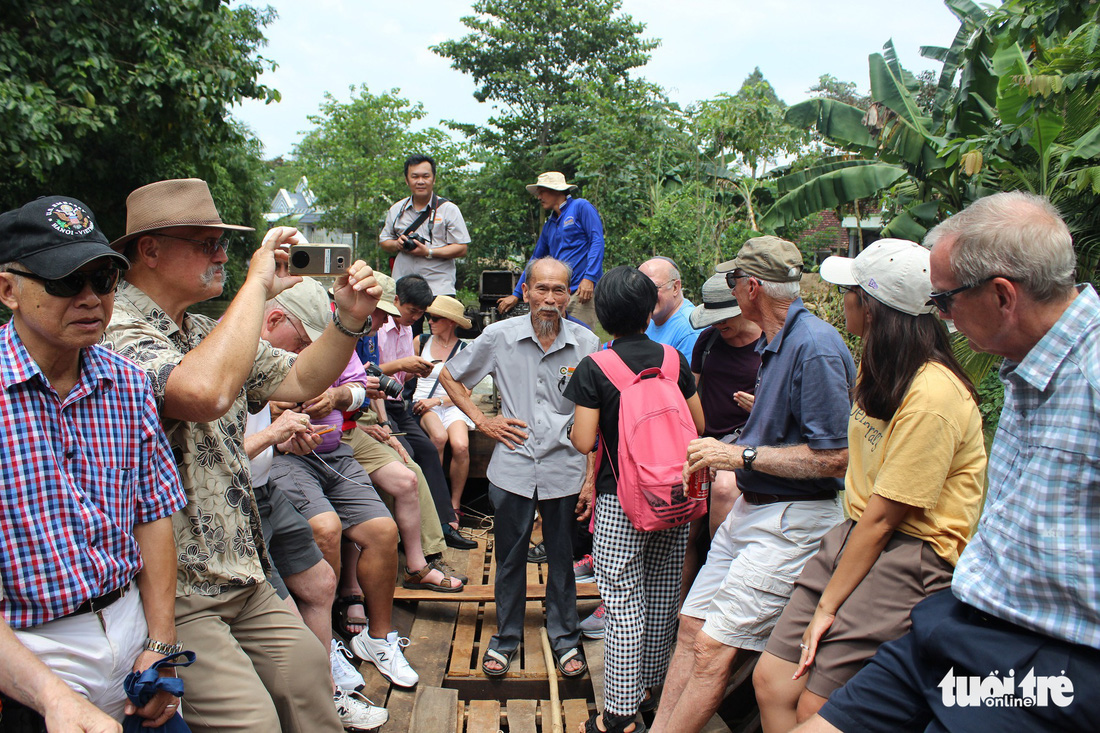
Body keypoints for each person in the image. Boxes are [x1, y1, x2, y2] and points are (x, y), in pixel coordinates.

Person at [797, 192, 1100, 732]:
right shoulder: (1025, 363)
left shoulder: (1089, 376)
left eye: (944, 301)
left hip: (1055, 656)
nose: (940, 317)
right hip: (963, 621)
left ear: (1003, 296)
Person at [103, 177, 380, 733]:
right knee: (252, 723)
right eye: (206, 242)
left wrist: (348, 319)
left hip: (241, 570)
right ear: (149, 250)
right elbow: (202, 394)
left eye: (224, 243)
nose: (222, 254)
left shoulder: (204, 328)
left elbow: (301, 377)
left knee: (309, 682)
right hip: (177, 585)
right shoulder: (115, 329)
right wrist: (258, 285)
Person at [753, 239, 987, 731]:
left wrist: (828, 608)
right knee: (773, 679)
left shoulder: (932, 394)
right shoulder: (881, 369)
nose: (842, 302)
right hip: (856, 534)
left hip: (911, 552)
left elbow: (886, 519)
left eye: (849, 292)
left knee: (817, 707)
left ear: (873, 307)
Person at [651, 236, 855, 733]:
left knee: (714, 649)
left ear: (752, 288)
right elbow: (778, 435)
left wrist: (736, 453)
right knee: (693, 627)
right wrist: (730, 441)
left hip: (792, 520)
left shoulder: (815, 346)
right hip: (754, 508)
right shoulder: (773, 343)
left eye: (734, 283)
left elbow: (835, 457)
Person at [0, 196, 186, 726]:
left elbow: (153, 514)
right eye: (64, 282)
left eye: (103, 279)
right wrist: (52, 697)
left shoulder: (126, 383)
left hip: (128, 623)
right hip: (31, 646)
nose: (89, 298)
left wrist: (161, 642)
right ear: (8, 289)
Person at [260, 278, 453, 689]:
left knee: (383, 530)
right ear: (274, 319)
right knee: (326, 529)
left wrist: (335, 398)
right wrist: (275, 413)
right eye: (300, 343)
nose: (303, 352)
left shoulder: (334, 333)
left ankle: (379, 640)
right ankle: (327, 645)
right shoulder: (245, 344)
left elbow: (359, 390)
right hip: (287, 457)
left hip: (335, 450)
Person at [441, 257, 600, 677]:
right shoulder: (499, 336)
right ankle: (506, 636)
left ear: (570, 296)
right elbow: (451, 376)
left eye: (559, 291)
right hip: (512, 466)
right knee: (509, 557)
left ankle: (564, 636)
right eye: (541, 289)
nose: (549, 300)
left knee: (562, 557)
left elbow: (597, 414)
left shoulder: (587, 344)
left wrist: (590, 476)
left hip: (565, 468)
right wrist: (482, 420)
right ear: (525, 292)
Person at [565, 266, 706, 733]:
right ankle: (649, 688)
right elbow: (698, 426)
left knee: (623, 603)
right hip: (675, 496)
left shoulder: (597, 366)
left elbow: (585, 441)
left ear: (603, 318)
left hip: (621, 501)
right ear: (650, 311)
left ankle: (621, 717)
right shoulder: (672, 360)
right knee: (664, 596)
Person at [242, 401, 388, 730]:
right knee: (288, 625)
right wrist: (271, 435)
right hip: (232, 501)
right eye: (300, 343)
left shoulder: (256, 363)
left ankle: (327, 685)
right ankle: (318, 704)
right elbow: (211, 457)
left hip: (264, 488)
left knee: (321, 582)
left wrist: (280, 443)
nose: (304, 346)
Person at [376, 273, 477, 550]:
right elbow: (368, 376)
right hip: (380, 404)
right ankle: (420, 534)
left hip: (400, 405)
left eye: (425, 314)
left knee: (432, 452)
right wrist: (403, 366)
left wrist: (413, 370)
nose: (420, 319)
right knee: (411, 453)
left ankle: (447, 523)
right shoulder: (379, 329)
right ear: (396, 301)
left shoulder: (409, 331)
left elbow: (404, 381)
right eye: (415, 312)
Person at [680, 272, 763, 603]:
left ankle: (719, 574)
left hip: (745, 440)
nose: (719, 326)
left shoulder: (769, 343)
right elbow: (688, 393)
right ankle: (678, 611)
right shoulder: (709, 341)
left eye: (724, 319)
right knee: (684, 529)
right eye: (712, 321)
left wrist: (761, 406)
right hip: (704, 440)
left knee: (725, 489)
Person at [498, 172, 605, 327]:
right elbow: (535, 259)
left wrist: (589, 278)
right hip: (556, 294)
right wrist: (517, 294)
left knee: (580, 340)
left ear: (555, 190)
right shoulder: (550, 224)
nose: (539, 197)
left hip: (581, 292)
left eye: (542, 192)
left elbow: (597, 241)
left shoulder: (580, 207)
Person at [413, 295, 475, 520]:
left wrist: (438, 401)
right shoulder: (421, 341)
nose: (430, 321)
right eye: (429, 317)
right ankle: (434, 502)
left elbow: (466, 392)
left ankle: (454, 504)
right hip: (423, 403)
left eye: (436, 318)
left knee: (460, 446)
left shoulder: (464, 349)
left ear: (450, 321)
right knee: (439, 438)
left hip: (450, 403)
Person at [379, 153, 470, 296]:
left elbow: (461, 248)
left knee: (440, 319)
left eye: (425, 176)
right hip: (404, 285)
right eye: (415, 177)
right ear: (407, 180)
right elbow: (384, 241)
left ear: (433, 179)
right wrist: (397, 244)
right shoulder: (397, 209)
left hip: (439, 286)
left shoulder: (449, 210)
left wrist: (428, 252)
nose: (420, 181)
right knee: (404, 319)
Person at [639, 257, 703, 360]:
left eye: (653, 288)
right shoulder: (652, 318)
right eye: (641, 289)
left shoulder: (689, 331)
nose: (646, 295)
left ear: (675, 288)